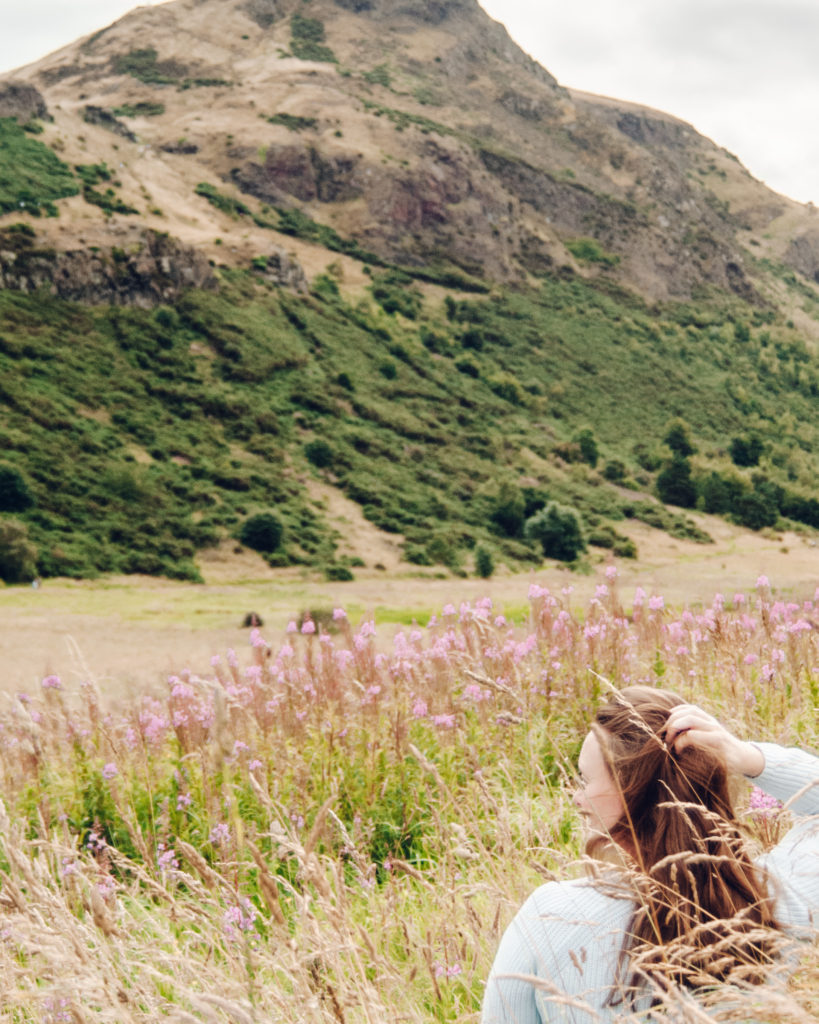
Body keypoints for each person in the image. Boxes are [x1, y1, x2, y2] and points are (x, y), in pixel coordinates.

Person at [482, 686, 819, 1023]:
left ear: (631, 794)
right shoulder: (775, 898)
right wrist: (747, 757)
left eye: (585, 780)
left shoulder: (550, 916)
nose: (577, 798)